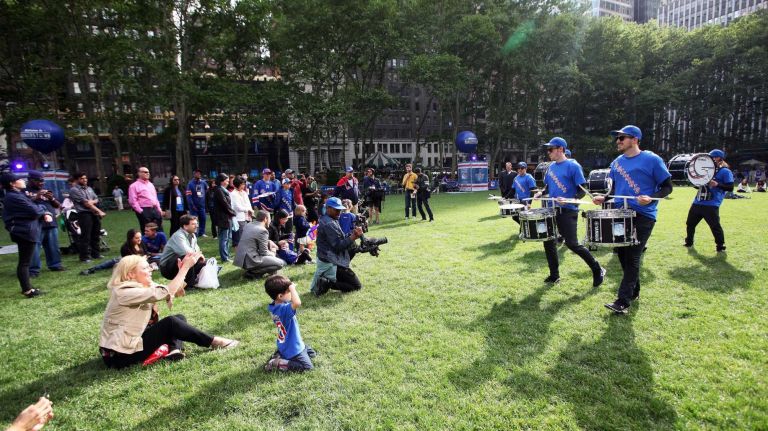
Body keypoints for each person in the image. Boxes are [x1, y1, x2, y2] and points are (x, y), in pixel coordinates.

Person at [98, 253, 239, 369]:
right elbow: (166, 291)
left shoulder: (141, 285)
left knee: (179, 317)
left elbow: (176, 292)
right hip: (120, 356)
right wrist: (184, 269)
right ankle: (214, 342)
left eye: (150, 267)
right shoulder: (124, 292)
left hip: (131, 344)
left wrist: (182, 271)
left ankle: (173, 350)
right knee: (171, 323)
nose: (151, 270)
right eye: (146, 268)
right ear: (130, 275)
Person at [593, 125, 673, 314]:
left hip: (644, 215)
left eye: (622, 138)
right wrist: (604, 198)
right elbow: (614, 190)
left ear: (635, 139)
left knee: (633, 256)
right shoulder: (617, 163)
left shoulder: (652, 160)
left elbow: (667, 187)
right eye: (617, 138)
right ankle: (634, 291)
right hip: (621, 214)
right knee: (622, 255)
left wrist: (651, 197)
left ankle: (623, 301)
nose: (618, 141)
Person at [534, 137, 605, 287]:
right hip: (552, 210)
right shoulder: (551, 167)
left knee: (572, 244)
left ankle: (597, 269)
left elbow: (582, 190)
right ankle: (554, 275)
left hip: (568, 211)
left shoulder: (573, 166)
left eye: (550, 149)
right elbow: (547, 187)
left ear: (560, 149)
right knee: (548, 242)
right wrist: (541, 193)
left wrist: (569, 199)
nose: (548, 152)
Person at [2, 173, 53, 298]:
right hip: (24, 232)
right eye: (19, 179)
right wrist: (44, 211)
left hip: (25, 230)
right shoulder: (13, 197)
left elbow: (34, 207)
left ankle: (27, 289)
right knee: (24, 262)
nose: (23, 180)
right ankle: (27, 290)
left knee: (25, 262)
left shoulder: (17, 195)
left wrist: (42, 210)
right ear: (12, 183)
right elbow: (35, 210)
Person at [310, 197, 363, 296]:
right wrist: (353, 237)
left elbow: (340, 238)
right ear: (328, 208)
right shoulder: (329, 223)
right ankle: (327, 283)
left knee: (354, 248)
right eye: (336, 210)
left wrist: (352, 234)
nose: (339, 212)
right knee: (357, 286)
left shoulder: (329, 218)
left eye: (340, 210)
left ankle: (327, 280)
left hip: (330, 257)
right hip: (332, 260)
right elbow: (338, 246)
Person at [684, 149, 734, 254]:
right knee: (690, 223)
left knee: (715, 226)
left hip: (712, 204)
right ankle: (689, 242)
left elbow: (730, 187)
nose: (710, 159)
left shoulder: (725, 171)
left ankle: (720, 245)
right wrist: (696, 183)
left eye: (713, 157)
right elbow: (700, 186)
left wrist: (717, 184)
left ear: (720, 158)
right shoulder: (704, 170)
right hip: (698, 201)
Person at [264, 275, 316, 372]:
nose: (292, 293)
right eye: (289, 292)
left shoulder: (274, 306)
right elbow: (297, 303)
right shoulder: (284, 310)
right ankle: (278, 363)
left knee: (312, 353)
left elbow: (287, 300)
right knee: (307, 368)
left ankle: (279, 354)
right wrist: (292, 288)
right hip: (293, 348)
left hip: (287, 343)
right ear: (280, 296)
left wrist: (287, 286)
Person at [26, 170, 65, 276]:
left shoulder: (47, 190)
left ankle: (55, 265)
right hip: (35, 223)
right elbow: (24, 205)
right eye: (38, 181)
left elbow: (58, 205)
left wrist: (51, 198)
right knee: (35, 247)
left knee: (53, 246)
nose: (41, 183)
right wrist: (36, 197)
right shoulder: (24, 191)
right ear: (30, 180)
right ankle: (33, 270)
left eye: (42, 180)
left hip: (50, 223)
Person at [234, 210, 285, 278]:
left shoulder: (248, 225)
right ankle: (253, 273)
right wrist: (273, 252)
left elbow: (254, 239)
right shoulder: (262, 230)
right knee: (280, 263)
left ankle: (259, 270)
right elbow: (264, 252)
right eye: (269, 219)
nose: (270, 221)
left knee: (272, 257)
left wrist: (269, 241)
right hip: (251, 260)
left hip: (241, 260)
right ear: (265, 219)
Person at [158, 215, 207, 287]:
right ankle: (189, 285)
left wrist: (200, 256)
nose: (196, 226)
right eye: (193, 224)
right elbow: (187, 252)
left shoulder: (192, 235)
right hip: (167, 268)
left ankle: (196, 281)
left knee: (204, 262)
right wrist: (198, 255)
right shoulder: (178, 235)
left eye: (197, 224)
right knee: (188, 258)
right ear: (185, 226)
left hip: (178, 263)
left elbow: (198, 250)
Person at [80, 228, 154, 275]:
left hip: (141, 261)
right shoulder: (125, 247)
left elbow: (146, 252)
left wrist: (145, 257)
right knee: (111, 263)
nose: (139, 239)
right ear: (130, 238)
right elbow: (128, 261)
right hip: (127, 261)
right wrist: (141, 259)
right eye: (137, 238)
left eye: (140, 237)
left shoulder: (141, 243)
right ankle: (92, 269)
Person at [69, 172, 106, 262]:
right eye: (82, 178)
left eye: (85, 178)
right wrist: (99, 211)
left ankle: (96, 254)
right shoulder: (74, 190)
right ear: (77, 179)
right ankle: (84, 256)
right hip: (84, 214)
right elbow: (85, 203)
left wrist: (92, 202)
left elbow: (96, 199)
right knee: (86, 236)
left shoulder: (89, 189)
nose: (85, 180)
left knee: (96, 234)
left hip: (94, 214)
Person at [128, 166, 163, 233]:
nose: (148, 173)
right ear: (139, 173)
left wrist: (159, 209)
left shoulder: (151, 185)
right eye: (145, 172)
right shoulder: (133, 186)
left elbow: (155, 198)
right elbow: (133, 201)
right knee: (147, 230)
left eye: (148, 172)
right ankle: (146, 243)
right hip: (144, 209)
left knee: (159, 228)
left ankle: (160, 243)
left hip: (155, 209)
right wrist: (141, 211)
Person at [212, 173, 236, 262]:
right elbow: (224, 204)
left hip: (227, 217)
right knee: (223, 238)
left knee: (227, 238)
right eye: (226, 180)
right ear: (222, 181)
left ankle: (227, 255)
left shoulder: (223, 190)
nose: (228, 181)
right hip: (222, 218)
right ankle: (224, 258)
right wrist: (233, 213)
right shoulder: (219, 190)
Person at [186, 169, 208, 237]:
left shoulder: (203, 183)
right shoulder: (190, 184)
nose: (198, 174)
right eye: (197, 173)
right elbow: (188, 196)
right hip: (194, 206)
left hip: (202, 205)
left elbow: (207, 190)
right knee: (194, 220)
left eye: (199, 173)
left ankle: (202, 232)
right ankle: (194, 233)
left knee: (203, 219)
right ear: (194, 174)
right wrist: (192, 205)